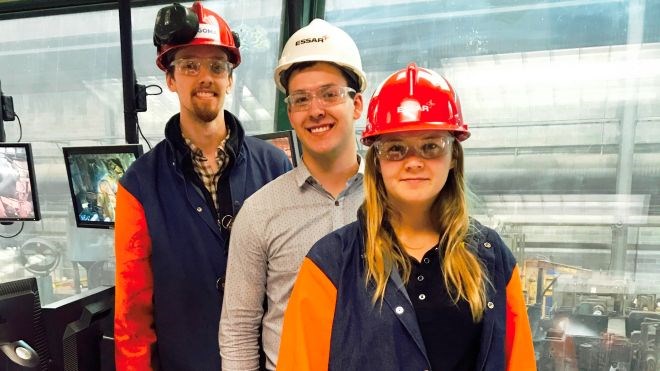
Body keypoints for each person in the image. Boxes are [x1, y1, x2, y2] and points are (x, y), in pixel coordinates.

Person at [277, 63, 536, 371]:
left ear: (454, 155)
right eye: (396, 149)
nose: (413, 162)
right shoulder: (331, 263)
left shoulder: (491, 258)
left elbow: (518, 361)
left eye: (430, 146)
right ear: (377, 161)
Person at [114, 2, 292, 370]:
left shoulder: (276, 168)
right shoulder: (139, 186)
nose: (205, 77)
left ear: (230, 78)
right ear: (170, 78)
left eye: (216, 66)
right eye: (190, 66)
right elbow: (132, 312)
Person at [219, 19, 366, 370]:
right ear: (290, 111)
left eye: (330, 94)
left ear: (357, 104)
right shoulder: (259, 212)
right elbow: (239, 329)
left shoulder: (397, 201)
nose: (316, 110)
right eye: (301, 99)